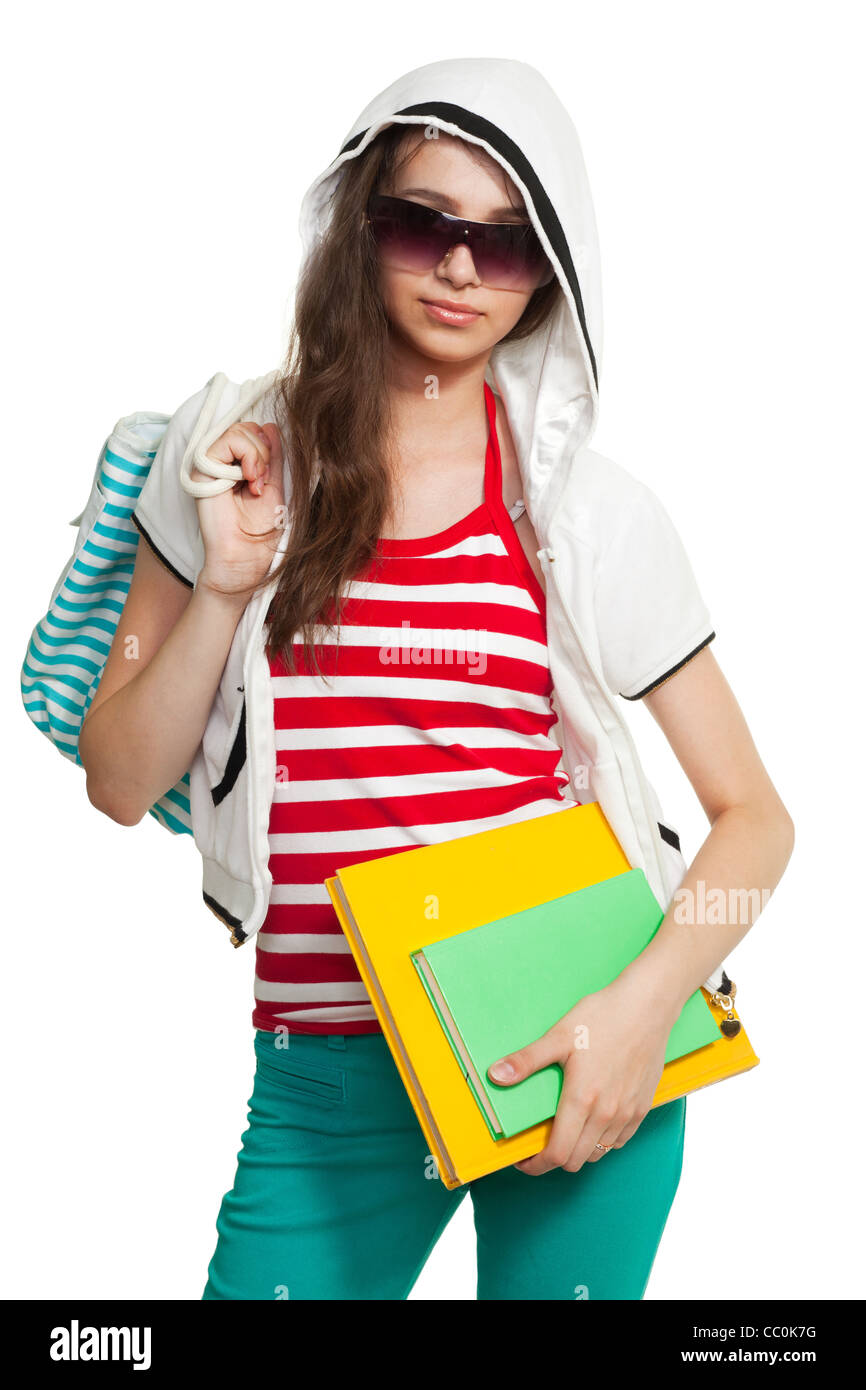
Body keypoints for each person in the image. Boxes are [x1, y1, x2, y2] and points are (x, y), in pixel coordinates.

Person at [79, 58, 794, 1300]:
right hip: (324, 1080)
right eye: (426, 225)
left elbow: (756, 824)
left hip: (570, 1051)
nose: (463, 269)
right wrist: (226, 584)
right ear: (361, 232)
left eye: (508, 244)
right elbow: (118, 779)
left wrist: (630, 1019)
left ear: (550, 276)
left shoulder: (587, 514)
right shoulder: (227, 458)